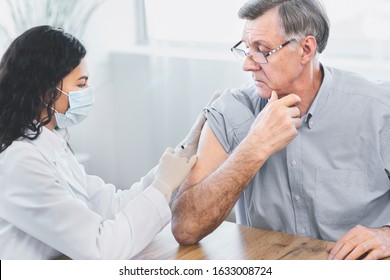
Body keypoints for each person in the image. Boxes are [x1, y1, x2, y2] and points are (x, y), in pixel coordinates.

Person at [171, 0, 390, 260]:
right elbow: (185, 228)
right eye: (246, 49)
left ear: (306, 49)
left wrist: (386, 235)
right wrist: (254, 147)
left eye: (262, 50)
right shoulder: (232, 111)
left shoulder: (378, 110)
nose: (247, 65)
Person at [0, 25, 206, 259]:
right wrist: (162, 186)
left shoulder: (53, 145)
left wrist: (174, 161)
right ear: (46, 90)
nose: (88, 90)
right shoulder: (20, 162)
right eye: (80, 84)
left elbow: (111, 205)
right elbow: (102, 250)